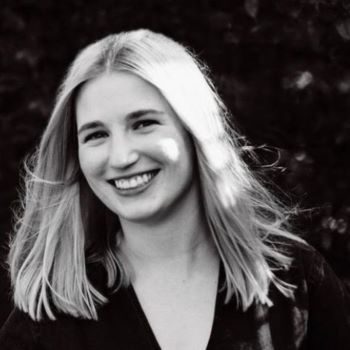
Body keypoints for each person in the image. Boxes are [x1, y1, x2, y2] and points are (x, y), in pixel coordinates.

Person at [0, 29, 349, 350]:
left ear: (193, 129)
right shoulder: (47, 317)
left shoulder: (295, 282)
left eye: (144, 123)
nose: (121, 157)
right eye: (96, 135)